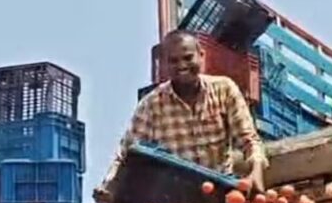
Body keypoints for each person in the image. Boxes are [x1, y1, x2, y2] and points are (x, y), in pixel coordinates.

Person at [103, 30, 268, 191]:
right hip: (175, 198)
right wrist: (108, 187)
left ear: (201, 55)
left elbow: (249, 139)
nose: (182, 65)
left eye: (188, 58)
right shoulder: (151, 105)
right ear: (164, 64)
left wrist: (256, 171)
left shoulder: (224, 89)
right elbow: (126, 154)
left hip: (219, 190)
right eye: (173, 61)